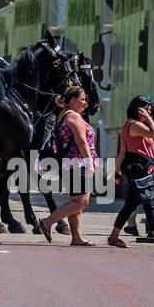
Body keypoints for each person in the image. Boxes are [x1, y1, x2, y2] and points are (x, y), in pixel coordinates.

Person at [107, 95, 154, 249]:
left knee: (131, 204)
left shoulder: (129, 126)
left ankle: (113, 236)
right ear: (137, 109)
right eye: (146, 107)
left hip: (146, 166)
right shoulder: (135, 125)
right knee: (149, 201)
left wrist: (117, 170)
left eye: (150, 107)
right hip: (140, 167)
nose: (149, 110)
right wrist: (149, 119)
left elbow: (123, 153)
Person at [38, 85, 97, 246]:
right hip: (77, 163)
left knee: (74, 201)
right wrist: (89, 162)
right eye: (82, 99)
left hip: (69, 163)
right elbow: (81, 142)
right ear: (72, 100)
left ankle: (76, 237)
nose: (85, 103)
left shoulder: (62, 114)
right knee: (81, 202)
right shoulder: (74, 117)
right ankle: (47, 222)